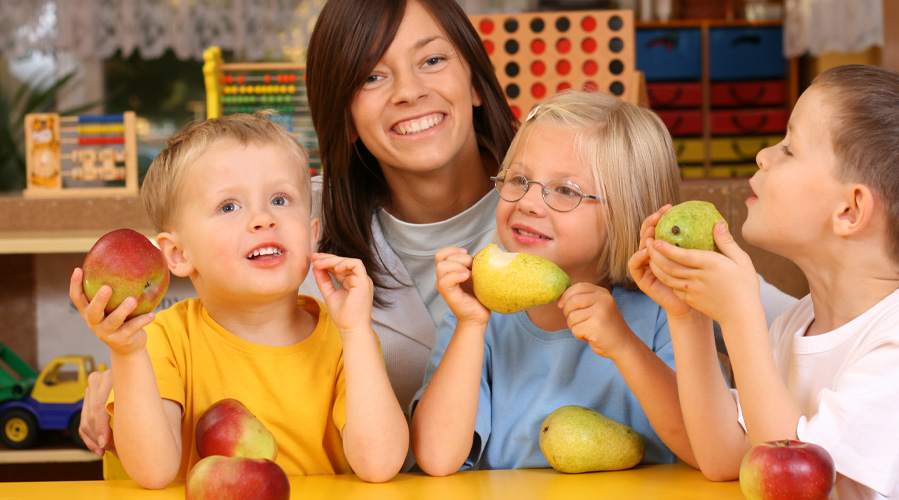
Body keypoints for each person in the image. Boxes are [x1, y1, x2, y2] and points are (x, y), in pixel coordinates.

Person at [78, 0, 796, 462]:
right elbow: (216, 296)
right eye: (371, 76)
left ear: (475, 78)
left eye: (430, 60)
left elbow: (776, 326)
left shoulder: (552, 197)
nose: (410, 92)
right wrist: (125, 371)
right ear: (344, 118)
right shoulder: (295, 215)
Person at [630, 64, 899, 499]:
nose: (763, 155)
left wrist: (741, 318)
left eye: (789, 148)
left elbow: (807, 488)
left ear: (850, 211)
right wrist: (689, 316)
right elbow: (725, 458)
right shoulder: (796, 323)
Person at [69, 111, 409, 488]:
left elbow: (380, 464)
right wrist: (128, 352)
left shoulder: (346, 338)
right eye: (229, 206)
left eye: (281, 199)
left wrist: (358, 332)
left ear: (312, 234)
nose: (263, 218)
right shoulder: (161, 340)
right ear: (178, 255)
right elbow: (154, 472)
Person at [410, 90, 698, 474]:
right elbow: (436, 458)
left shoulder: (668, 313)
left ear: (628, 212)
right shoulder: (477, 316)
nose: (528, 202)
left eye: (565, 190)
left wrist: (624, 346)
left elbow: (702, 448)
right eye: (518, 179)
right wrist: (470, 324)